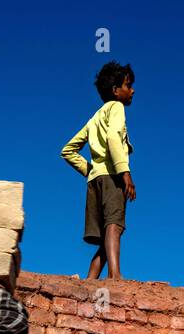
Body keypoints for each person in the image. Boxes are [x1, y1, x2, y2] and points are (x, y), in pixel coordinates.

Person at [61, 61, 135, 280]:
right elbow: (113, 137)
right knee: (115, 226)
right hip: (112, 178)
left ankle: (89, 282)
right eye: (128, 85)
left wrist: (90, 170)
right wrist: (125, 173)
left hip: (95, 181)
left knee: (106, 236)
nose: (132, 90)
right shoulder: (116, 108)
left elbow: (68, 150)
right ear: (116, 91)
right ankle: (114, 276)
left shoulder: (94, 118)